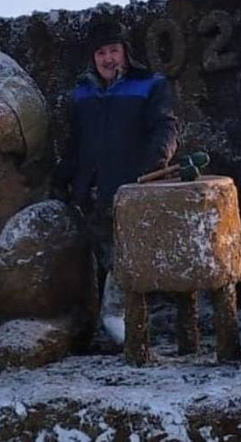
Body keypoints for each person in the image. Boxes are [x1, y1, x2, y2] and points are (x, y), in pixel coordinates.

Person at [52, 18, 178, 342]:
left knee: (124, 261)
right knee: (95, 263)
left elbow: (165, 127)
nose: (108, 59)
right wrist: (61, 179)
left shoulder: (151, 84)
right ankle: (95, 330)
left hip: (130, 189)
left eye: (113, 51)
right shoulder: (82, 93)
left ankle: (123, 330)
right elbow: (75, 144)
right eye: (100, 53)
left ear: (125, 52)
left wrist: (156, 163)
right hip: (89, 192)